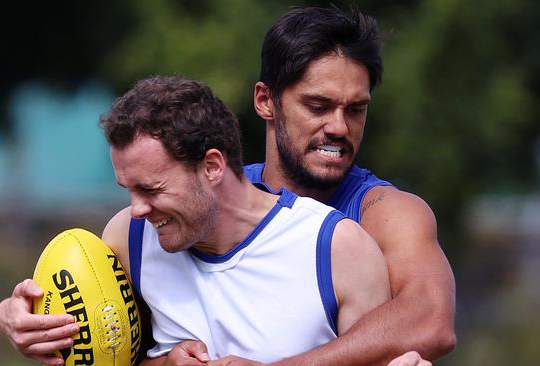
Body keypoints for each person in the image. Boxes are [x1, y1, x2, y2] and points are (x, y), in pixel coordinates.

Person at [0, 75, 428, 366]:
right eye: (128, 190)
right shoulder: (128, 239)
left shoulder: (336, 250)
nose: (137, 208)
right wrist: (15, 318)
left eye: (151, 189)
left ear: (212, 167)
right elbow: (95, 345)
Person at [159, 5, 456, 365]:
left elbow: (430, 322)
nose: (339, 127)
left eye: (355, 110)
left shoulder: (387, 213)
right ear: (265, 101)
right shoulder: (213, 199)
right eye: (318, 106)